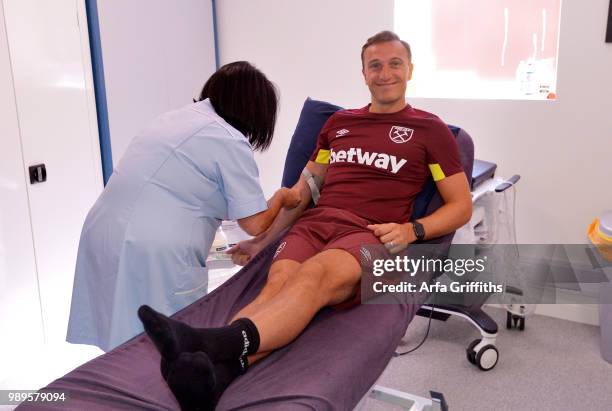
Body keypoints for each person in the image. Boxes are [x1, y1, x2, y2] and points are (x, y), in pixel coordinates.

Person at [138, 31, 472, 410]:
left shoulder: (431, 130)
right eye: (374, 65)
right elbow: (305, 190)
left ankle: (211, 343)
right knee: (277, 284)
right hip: (316, 225)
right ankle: (215, 379)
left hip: (372, 235)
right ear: (363, 73)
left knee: (313, 276)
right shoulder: (338, 125)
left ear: (409, 70)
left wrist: (413, 230)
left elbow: (460, 206)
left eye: (394, 64)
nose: (385, 73)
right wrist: (262, 242)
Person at [66, 61, 299, 352]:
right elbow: (254, 223)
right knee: (163, 344)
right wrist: (284, 197)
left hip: (104, 229)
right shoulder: (228, 139)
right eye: (372, 66)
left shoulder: (174, 119)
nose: (376, 75)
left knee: (122, 339)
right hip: (152, 248)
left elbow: (197, 188)